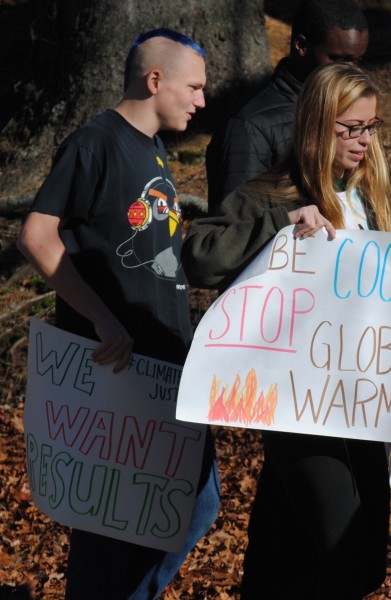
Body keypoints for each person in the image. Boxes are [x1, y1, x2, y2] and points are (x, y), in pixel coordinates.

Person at [181, 62, 391, 599]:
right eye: (349, 128)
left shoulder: (380, 201)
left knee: (325, 562)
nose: (363, 140)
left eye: (371, 127)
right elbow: (197, 259)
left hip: (366, 406)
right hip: (299, 407)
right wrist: (279, 227)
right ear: (316, 125)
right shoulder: (270, 196)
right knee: (348, 556)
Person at [17, 28, 220, 600]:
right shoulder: (95, 143)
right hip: (114, 369)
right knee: (109, 529)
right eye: (194, 87)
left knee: (195, 503)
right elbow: (36, 236)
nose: (201, 101)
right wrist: (102, 318)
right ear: (155, 81)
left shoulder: (152, 149)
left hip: (163, 365)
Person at [205, 0, 369, 213]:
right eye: (338, 59)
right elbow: (234, 224)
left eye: (356, 61)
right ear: (301, 46)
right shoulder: (250, 127)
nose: (348, 71)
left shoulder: (352, 112)